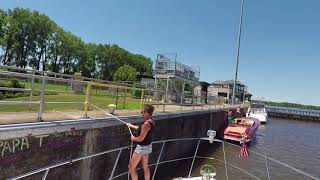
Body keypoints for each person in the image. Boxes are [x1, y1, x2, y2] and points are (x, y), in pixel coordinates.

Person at [127, 104, 155, 180]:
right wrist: (131, 125)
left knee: (131, 167)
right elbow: (141, 129)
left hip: (142, 148)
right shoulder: (151, 120)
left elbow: (140, 139)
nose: (142, 114)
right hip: (148, 147)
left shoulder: (146, 124)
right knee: (145, 167)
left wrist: (133, 138)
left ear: (146, 112)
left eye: (142, 112)